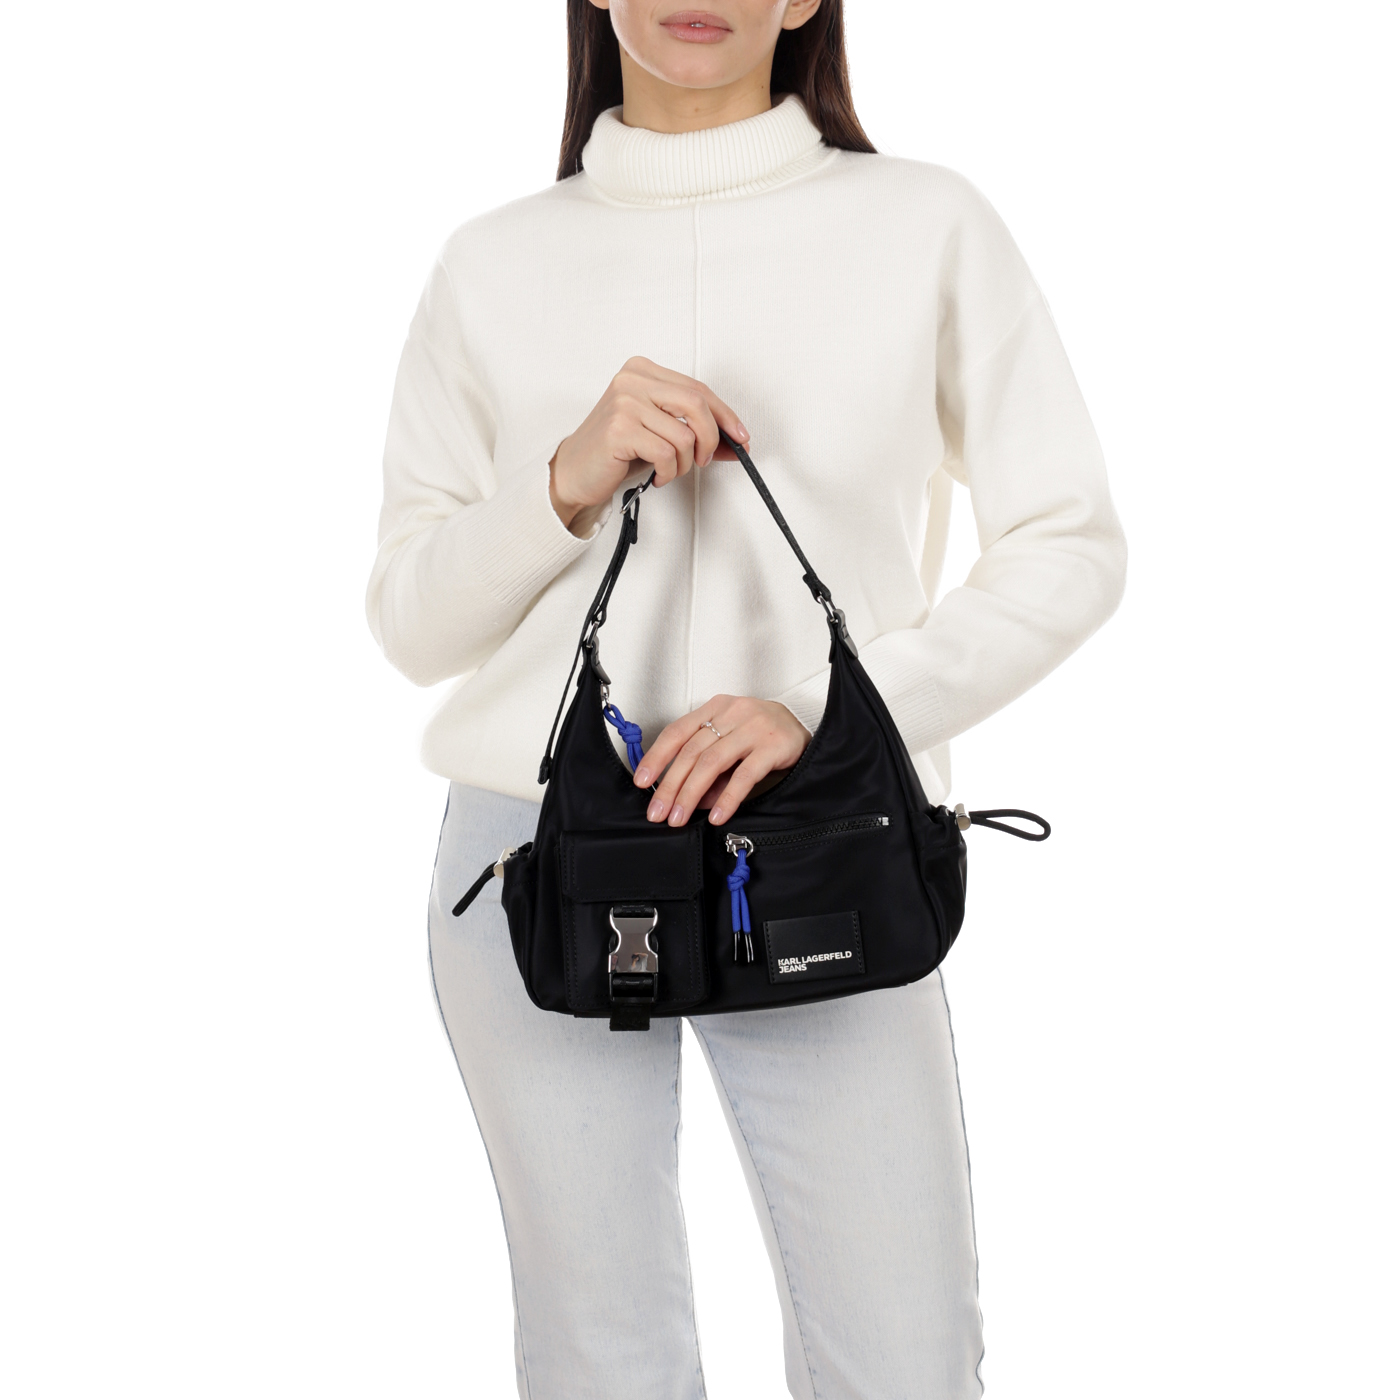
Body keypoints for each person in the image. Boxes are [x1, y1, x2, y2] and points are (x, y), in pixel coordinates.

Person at [366, 2, 1126, 1396]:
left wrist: (829, 710)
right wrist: (562, 480)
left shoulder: (927, 226)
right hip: (540, 855)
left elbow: (1069, 544)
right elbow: (413, 624)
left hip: (825, 833)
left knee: (903, 1356)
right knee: (599, 1356)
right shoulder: (491, 262)